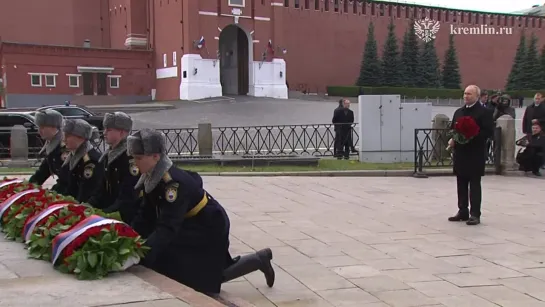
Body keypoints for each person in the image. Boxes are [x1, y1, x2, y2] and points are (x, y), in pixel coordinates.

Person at [127, 129, 275, 295]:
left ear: (155, 157)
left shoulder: (172, 183)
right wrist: (127, 239)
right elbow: (145, 215)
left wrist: (142, 256)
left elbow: (167, 227)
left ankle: (258, 261)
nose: (135, 162)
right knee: (187, 268)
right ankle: (259, 259)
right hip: (191, 222)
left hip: (207, 226)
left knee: (194, 276)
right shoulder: (151, 176)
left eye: (139, 158)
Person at [448, 85, 494, 226]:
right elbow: (453, 129)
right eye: (464, 93)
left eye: (469, 94)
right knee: (461, 182)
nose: (466, 96)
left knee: (474, 184)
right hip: (461, 153)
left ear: (477, 96)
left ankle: (475, 214)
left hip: (475, 153)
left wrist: (470, 136)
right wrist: (454, 138)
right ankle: (462, 210)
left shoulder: (484, 112)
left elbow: (487, 132)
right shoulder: (459, 112)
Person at [86, 112, 140, 224]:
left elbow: (128, 196)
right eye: (105, 128)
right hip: (111, 212)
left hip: (127, 217)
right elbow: (102, 189)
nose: (104, 132)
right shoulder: (109, 154)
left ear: (122, 132)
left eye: (109, 130)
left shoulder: (130, 157)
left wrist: (105, 214)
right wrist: (87, 207)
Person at [29, 110, 70, 193]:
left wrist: (52, 194)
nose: (39, 131)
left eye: (43, 127)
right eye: (38, 127)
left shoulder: (64, 148)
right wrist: (27, 188)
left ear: (55, 127)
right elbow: (42, 173)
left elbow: (66, 180)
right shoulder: (51, 145)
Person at [63, 119, 104, 202]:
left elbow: (85, 194)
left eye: (68, 136)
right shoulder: (72, 156)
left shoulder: (91, 161)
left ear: (80, 137)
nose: (64, 139)